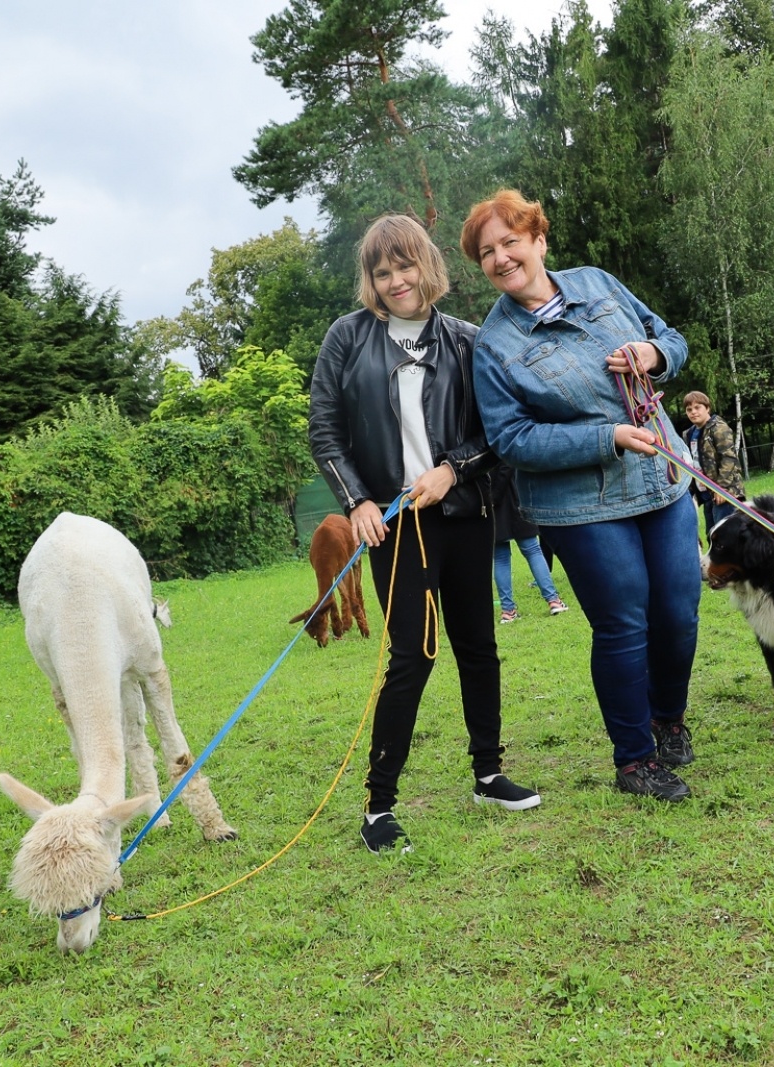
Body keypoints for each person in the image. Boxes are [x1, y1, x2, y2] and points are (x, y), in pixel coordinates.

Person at [308, 214, 540, 855]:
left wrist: (450, 470)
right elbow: (325, 430)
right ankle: (379, 807)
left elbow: (496, 434)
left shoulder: (468, 340)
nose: (395, 281)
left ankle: (488, 774)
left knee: (478, 646)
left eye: (404, 267)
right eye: (382, 273)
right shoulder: (347, 339)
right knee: (412, 655)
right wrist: (356, 501)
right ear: (371, 281)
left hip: (465, 515)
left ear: (426, 266)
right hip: (394, 526)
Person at [462, 189, 701, 803]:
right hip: (581, 506)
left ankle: (667, 721)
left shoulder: (597, 282)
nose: (501, 258)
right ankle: (635, 763)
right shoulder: (494, 346)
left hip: (664, 478)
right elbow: (511, 438)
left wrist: (654, 353)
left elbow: (669, 337)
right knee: (624, 624)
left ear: (538, 239)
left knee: (678, 613)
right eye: (487, 252)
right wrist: (607, 436)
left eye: (510, 241)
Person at [490, 461, 568, 622]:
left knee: (501, 557)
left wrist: (490, 498)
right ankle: (553, 601)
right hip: (514, 498)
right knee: (532, 550)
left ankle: (508, 610)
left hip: (493, 502)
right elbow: (507, 463)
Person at [681, 391, 745, 541]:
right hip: (706, 494)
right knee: (712, 536)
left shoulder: (718, 428)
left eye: (698, 407)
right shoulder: (689, 434)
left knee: (726, 538)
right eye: (689, 409)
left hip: (725, 494)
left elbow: (728, 458)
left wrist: (721, 489)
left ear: (707, 408)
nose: (693, 412)